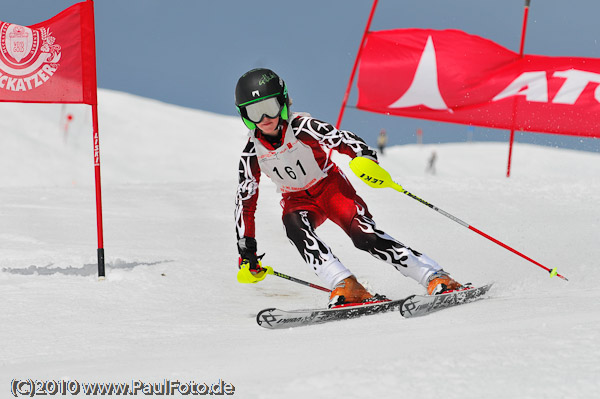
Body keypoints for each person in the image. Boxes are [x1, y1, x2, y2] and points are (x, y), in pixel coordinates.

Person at [234, 68, 462, 307]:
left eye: (269, 107)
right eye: (254, 112)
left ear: (283, 101)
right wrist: (246, 247)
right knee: (294, 227)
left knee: (364, 236)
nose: (264, 119)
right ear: (245, 115)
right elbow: (245, 202)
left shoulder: (302, 127)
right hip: (297, 200)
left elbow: (342, 139)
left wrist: (364, 157)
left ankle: (435, 275)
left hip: (331, 189)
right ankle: (345, 284)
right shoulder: (251, 153)